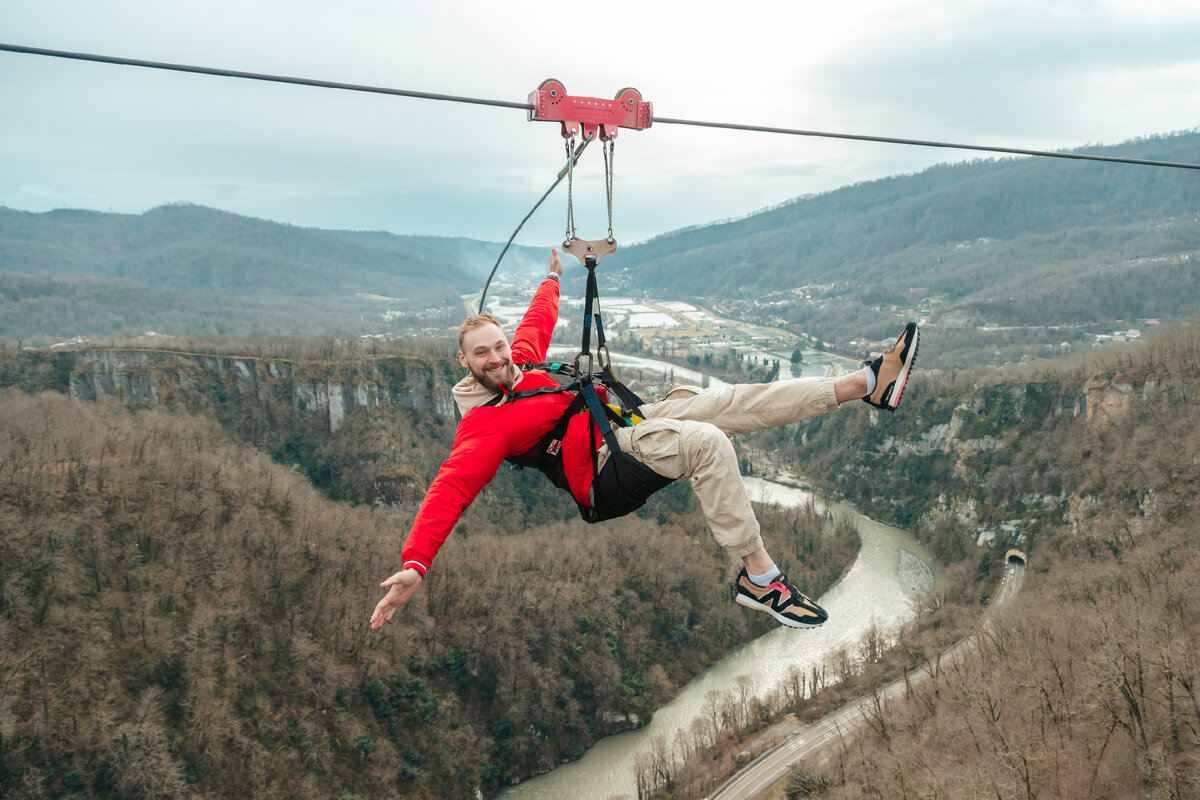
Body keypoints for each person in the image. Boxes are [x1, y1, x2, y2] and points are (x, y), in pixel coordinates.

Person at [370, 248, 919, 631]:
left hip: (622, 422)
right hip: (606, 467)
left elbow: (538, 319)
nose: (497, 358)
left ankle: (867, 384)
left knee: (730, 401)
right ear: (463, 364)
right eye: (482, 354)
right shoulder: (485, 424)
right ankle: (761, 579)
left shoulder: (523, 362)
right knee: (707, 442)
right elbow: (452, 487)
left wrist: (555, 278)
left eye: (498, 347)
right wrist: (417, 562)